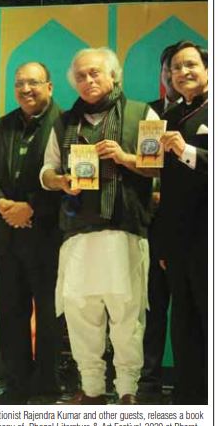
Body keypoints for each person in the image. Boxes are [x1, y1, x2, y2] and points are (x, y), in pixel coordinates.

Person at [41, 47, 158, 405]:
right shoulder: (64, 122)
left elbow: (157, 166)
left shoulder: (142, 113)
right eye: (81, 76)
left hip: (125, 230)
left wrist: (124, 157)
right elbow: (46, 172)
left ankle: (127, 390)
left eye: (95, 73)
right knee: (80, 312)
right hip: (78, 233)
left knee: (126, 314)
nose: (88, 80)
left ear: (113, 75)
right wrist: (61, 182)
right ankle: (91, 389)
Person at [0, 62, 62, 404]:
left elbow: (67, 178)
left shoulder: (64, 123)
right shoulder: (4, 124)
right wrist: (2, 205)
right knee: (10, 314)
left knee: (49, 316)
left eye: (33, 83)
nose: (26, 89)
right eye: (19, 84)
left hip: (48, 235)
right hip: (7, 236)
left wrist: (31, 207)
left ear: (49, 87)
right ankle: (15, 387)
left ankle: (45, 388)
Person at [156, 41, 208, 404]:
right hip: (178, 240)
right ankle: (188, 398)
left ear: (207, 69)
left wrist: (186, 150)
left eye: (191, 65)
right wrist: (162, 243)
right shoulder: (169, 118)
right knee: (184, 320)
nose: (183, 72)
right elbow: (166, 190)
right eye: (176, 67)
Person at [137, 44, 179, 401]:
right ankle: (147, 384)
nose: (174, 74)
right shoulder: (148, 114)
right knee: (151, 307)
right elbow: (144, 164)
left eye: (183, 66)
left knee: (192, 312)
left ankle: (193, 384)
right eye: (169, 69)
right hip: (150, 225)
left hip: (192, 228)